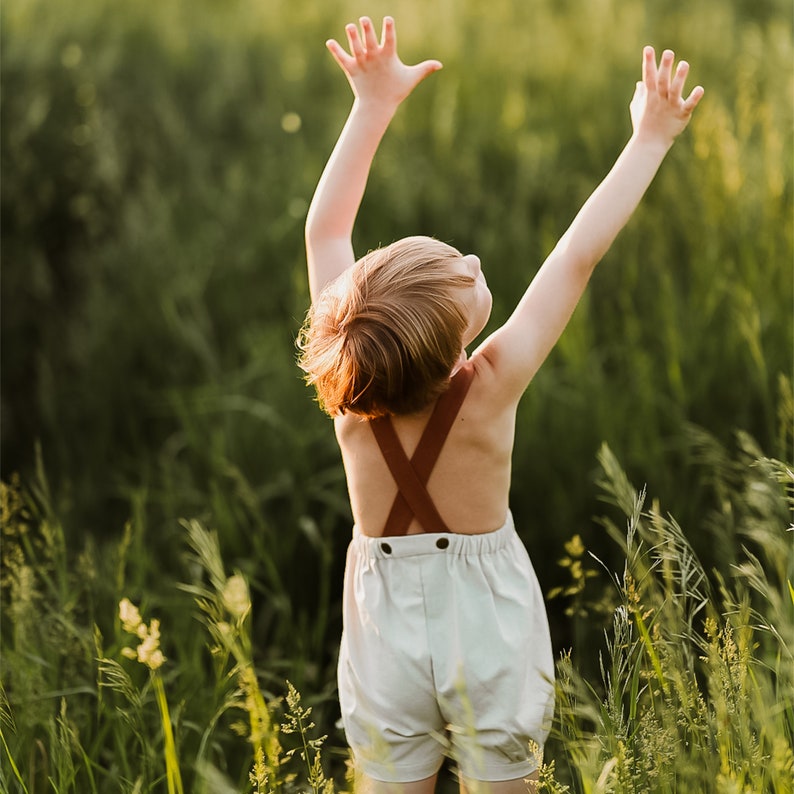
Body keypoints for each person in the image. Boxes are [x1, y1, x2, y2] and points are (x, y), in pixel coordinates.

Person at [298, 15, 703, 794]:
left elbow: (325, 230)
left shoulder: (348, 384)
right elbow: (578, 254)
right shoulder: (489, 385)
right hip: (487, 625)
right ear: (456, 354)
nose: (476, 261)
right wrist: (648, 138)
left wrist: (370, 105)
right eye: (470, 280)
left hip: (382, 626)